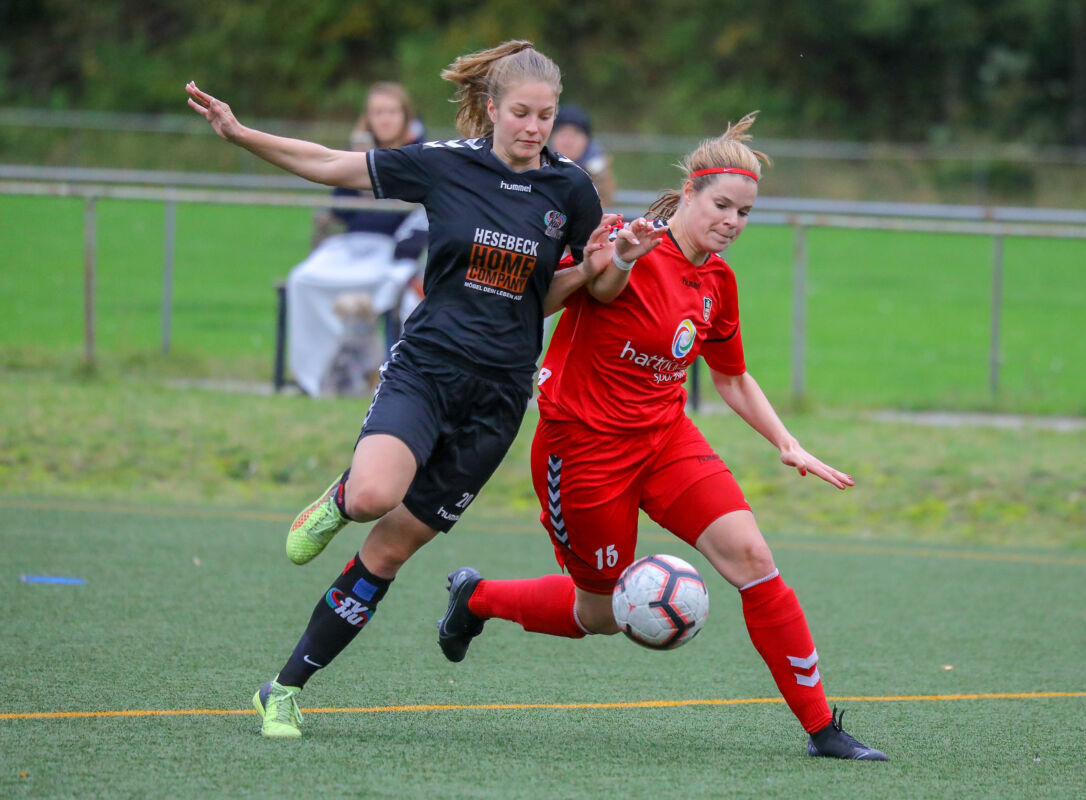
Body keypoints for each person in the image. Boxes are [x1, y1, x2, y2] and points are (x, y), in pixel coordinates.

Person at [185, 40, 662, 738]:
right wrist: (239, 131)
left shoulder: (571, 190)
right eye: (522, 113)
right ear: (493, 109)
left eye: (547, 116)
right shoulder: (444, 164)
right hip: (428, 367)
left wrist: (609, 262)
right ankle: (341, 495)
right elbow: (329, 165)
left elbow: (579, 291)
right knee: (375, 498)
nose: (534, 128)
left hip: (498, 399)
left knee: (389, 552)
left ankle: (284, 690)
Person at [435, 113, 889, 761]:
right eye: (723, 205)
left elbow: (731, 379)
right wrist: (610, 263)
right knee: (601, 615)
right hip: (583, 450)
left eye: (746, 212)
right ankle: (476, 597)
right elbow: (545, 296)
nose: (733, 221)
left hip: (665, 439)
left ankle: (823, 729)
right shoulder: (623, 237)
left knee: (754, 560)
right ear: (691, 195)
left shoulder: (717, 282)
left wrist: (786, 442)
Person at [287, 82, 429, 396]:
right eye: (378, 112)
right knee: (302, 280)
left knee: (393, 287)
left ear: (405, 115)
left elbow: (420, 214)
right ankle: (312, 377)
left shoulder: (420, 155)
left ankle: (378, 374)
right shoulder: (359, 152)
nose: (385, 119)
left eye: (392, 112)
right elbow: (341, 210)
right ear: (368, 118)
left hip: (391, 252)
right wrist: (355, 162)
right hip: (350, 246)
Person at [549, 104, 615, 208]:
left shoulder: (598, 169)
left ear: (587, 141)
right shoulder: (536, 163)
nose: (568, 141)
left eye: (575, 135)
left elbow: (604, 205)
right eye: (562, 133)